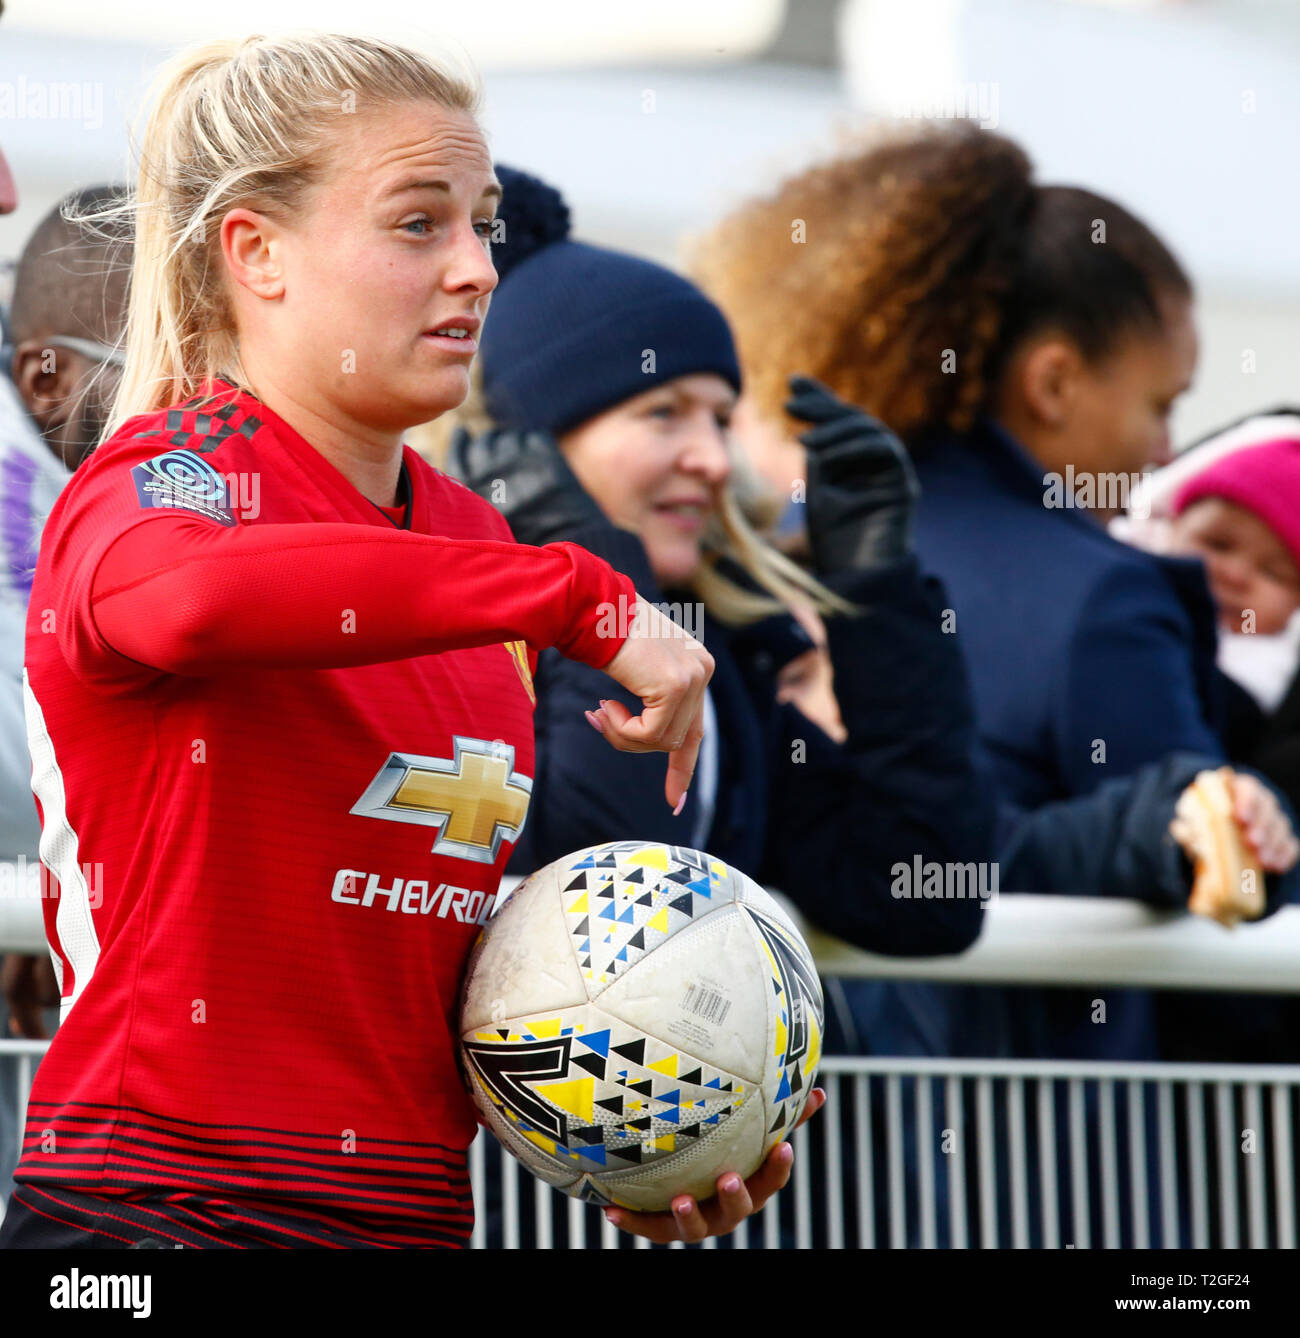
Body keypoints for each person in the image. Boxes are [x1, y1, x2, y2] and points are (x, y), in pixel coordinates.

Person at [0, 32, 818, 1251]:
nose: (479, 269)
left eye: (482, 225)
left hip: (410, 1223)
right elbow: (195, 605)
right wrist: (574, 595)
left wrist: (639, 1125)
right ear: (256, 253)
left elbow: (410, 957)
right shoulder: (162, 484)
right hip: (147, 1224)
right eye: (419, 224)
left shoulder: (470, 545)